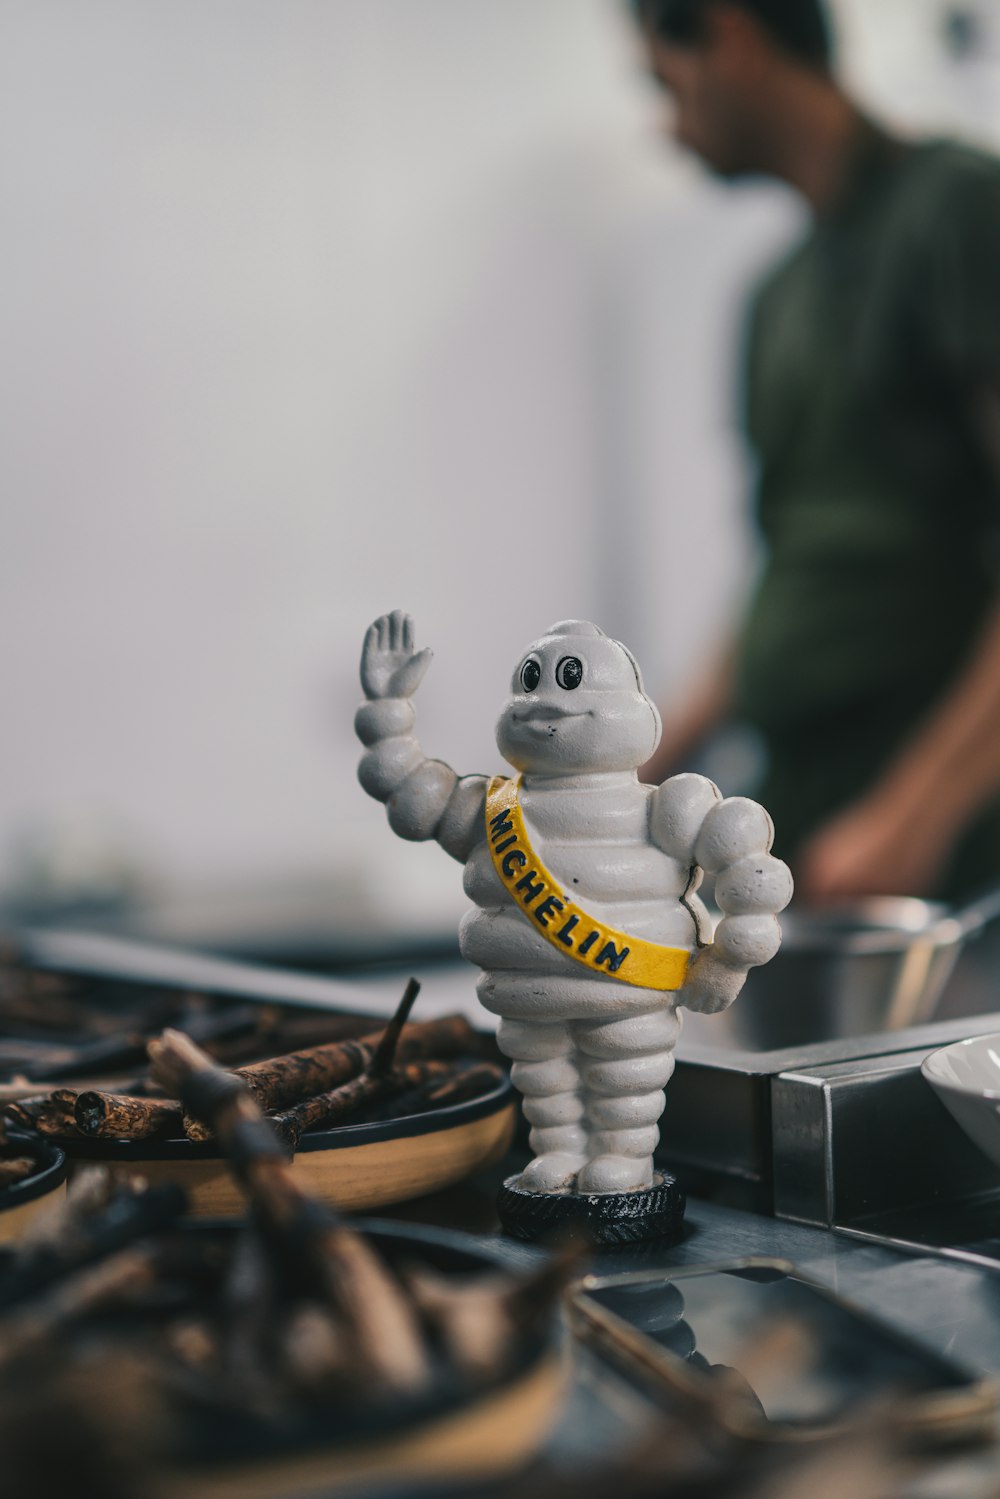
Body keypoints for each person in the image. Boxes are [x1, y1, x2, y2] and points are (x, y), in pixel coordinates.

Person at [631, 0, 1000, 903]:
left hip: (942, 842)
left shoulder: (959, 213)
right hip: (803, 805)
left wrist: (914, 816)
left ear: (733, 38)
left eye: (664, 84)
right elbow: (787, 562)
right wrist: (634, 772)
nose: (664, 128)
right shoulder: (775, 298)